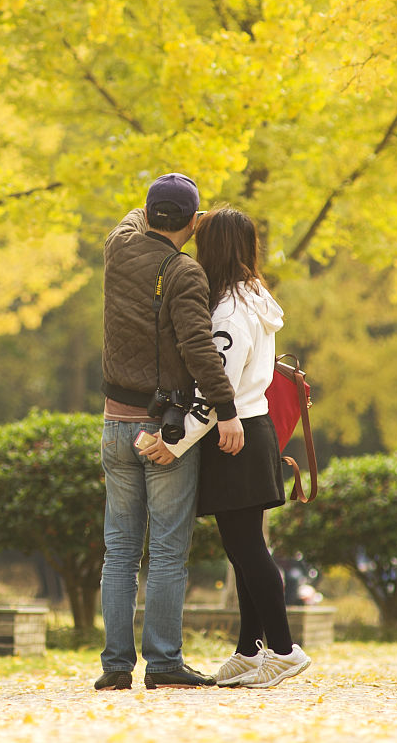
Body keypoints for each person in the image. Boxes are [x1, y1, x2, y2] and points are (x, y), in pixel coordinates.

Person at [141, 206, 311, 689]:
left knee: (248, 550)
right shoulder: (251, 296)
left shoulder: (230, 313)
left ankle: (282, 648)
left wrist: (173, 444)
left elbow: (218, 389)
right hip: (249, 432)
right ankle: (248, 650)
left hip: (235, 435)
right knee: (243, 550)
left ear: (213, 248)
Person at [96, 173, 245, 692]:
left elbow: (132, 220)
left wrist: (157, 211)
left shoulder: (118, 249)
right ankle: (162, 663)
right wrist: (226, 410)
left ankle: (115, 665)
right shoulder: (185, 272)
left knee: (119, 551)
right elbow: (200, 350)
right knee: (164, 551)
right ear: (194, 221)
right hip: (164, 430)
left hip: (116, 424)